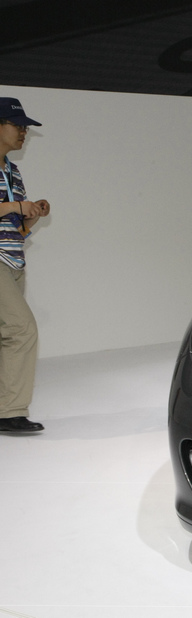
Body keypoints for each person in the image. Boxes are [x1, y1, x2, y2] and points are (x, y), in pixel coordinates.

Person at [0, 97, 49, 433]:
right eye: (17, 125)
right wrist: (18, 205)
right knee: (22, 329)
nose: (23, 132)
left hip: (13, 260)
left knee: (9, 333)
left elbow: (16, 228)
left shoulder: (12, 172)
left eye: (25, 127)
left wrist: (32, 215)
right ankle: (9, 412)